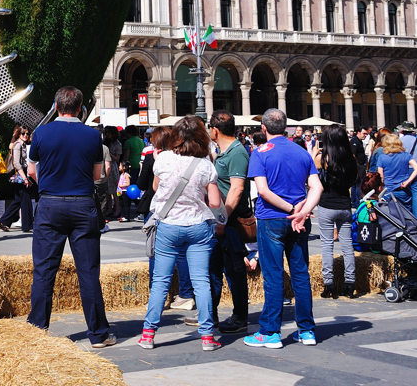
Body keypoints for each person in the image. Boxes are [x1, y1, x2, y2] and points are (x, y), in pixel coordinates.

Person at [26, 86, 114, 349]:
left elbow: (31, 171)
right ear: (79, 108)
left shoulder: (41, 132)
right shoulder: (92, 135)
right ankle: (98, 334)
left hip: (50, 205)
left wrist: (50, 185)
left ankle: (37, 329)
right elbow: (98, 175)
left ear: (55, 107)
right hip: (82, 205)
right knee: (88, 272)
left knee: (44, 270)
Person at [137, 116, 223, 351]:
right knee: (201, 281)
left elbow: (155, 188)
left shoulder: (163, 158)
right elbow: (215, 202)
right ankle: (207, 336)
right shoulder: (205, 163)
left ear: (175, 136)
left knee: (160, 282)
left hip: (168, 225)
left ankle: (148, 334)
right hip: (198, 226)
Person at [243, 109, 323, 349]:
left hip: (272, 218)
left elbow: (264, 191)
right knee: (301, 274)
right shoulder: (301, 151)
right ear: (286, 127)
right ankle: (307, 330)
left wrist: (290, 209)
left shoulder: (260, 153)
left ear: (264, 129)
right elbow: (317, 187)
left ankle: (270, 331)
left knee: (273, 275)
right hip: (300, 220)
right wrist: (303, 210)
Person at [206, 110, 251, 334]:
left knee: (234, 271)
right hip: (220, 220)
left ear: (215, 130)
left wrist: (223, 218)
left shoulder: (237, 153)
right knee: (213, 268)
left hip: (231, 222)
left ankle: (240, 316)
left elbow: (237, 188)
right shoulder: (223, 152)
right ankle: (209, 314)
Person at [313, 124, 359, 299]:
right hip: (344, 205)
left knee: (327, 246)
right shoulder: (351, 158)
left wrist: (314, 152)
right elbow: (353, 180)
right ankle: (350, 282)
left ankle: (329, 283)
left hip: (326, 204)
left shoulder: (323, 158)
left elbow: (310, 175)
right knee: (347, 246)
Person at [0, 125, 36, 233]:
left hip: (21, 173)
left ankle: (4, 221)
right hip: (20, 174)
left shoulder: (22, 144)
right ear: (19, 134)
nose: (26, 135)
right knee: (26, 200)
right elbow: (17, 164)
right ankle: (27, 226)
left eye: (27, 133)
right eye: (23, 133)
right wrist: (25, 178)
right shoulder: (17, 145)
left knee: (19, 199)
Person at [374, 132, 417, 213]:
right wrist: (407, 182)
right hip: (403, 190)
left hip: (388, 190)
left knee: (391, 215)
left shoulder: (382, 157)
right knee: (406, 214)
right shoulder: (406, 155)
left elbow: (381, 176)